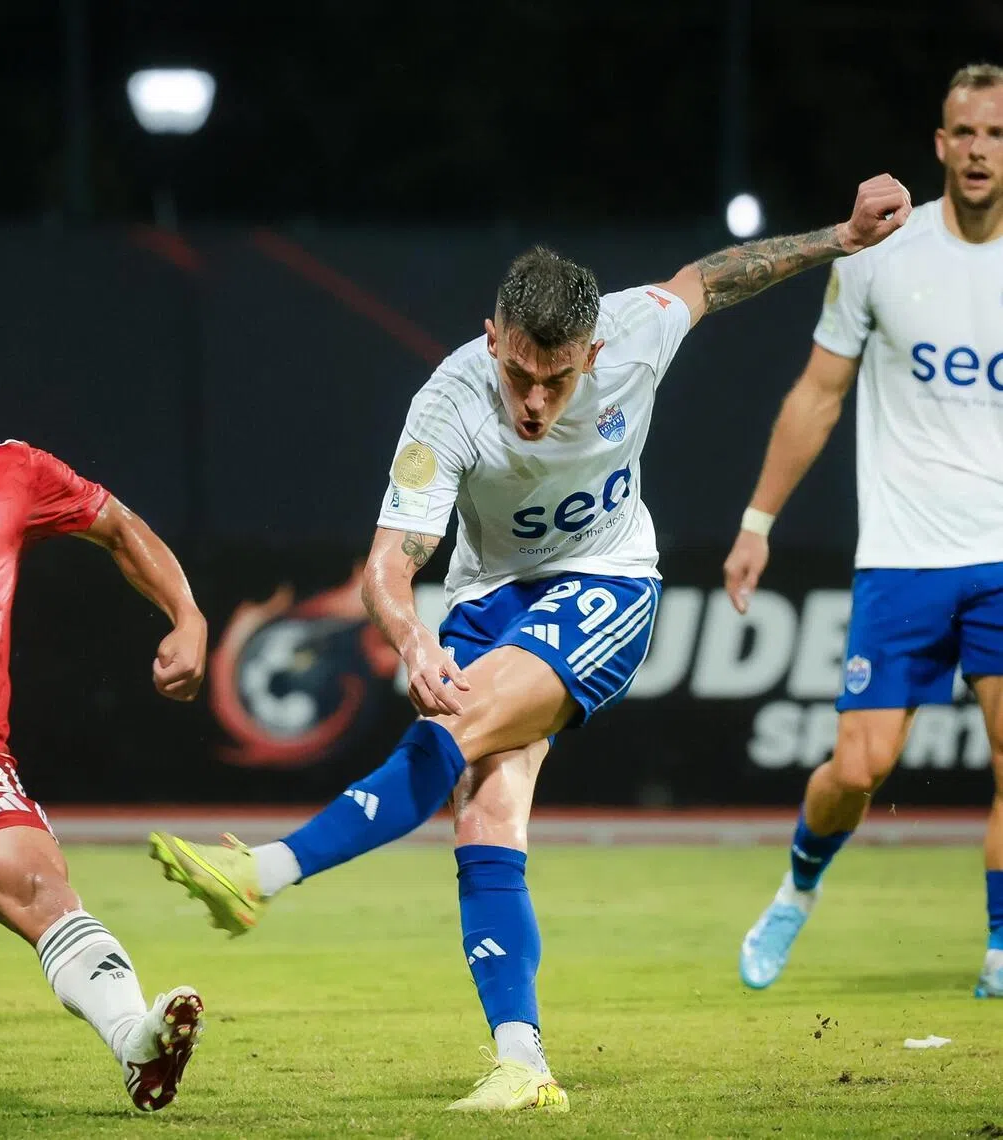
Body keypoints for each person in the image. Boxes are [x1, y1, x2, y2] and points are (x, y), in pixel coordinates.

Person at [150, 173, 910, 1111]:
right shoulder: (448, 405)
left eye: (560, 378)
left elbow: (713, 276)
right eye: (519, 373)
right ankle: (524, 1063)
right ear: (490, 337)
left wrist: (840, 235)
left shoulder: (637, 330)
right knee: (485, 820)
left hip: (607, 582)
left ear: (595, 349)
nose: (537, 402)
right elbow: (388, 563)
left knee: (462, 726)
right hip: (484, 599)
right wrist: (412, 636)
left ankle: (262, 870)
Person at [0, 281, 208, 1111]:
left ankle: (138, 1038)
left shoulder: (5, 473)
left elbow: (120, 526)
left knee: (37, 883)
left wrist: (188, 615)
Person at [726, 64, 1003, 995]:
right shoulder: (881, 253)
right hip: (904, 557)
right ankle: (798, 889)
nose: (979, 150)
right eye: (964, 132)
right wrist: (759, 522)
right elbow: (817, 394)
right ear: (939, 143)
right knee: (861, 764)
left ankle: (1002, 949)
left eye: (996, 134)